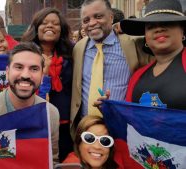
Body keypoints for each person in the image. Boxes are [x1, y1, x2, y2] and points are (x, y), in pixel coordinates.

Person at [70, 0, 152, 138]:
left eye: (98, 16)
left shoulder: (133, 44)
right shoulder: (78, 48)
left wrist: (127, 26)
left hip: (122, 128)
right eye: (86, 20)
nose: (91, 23)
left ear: (111, 17)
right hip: (86, 130)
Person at [21, 7, 73, 162]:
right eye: (45, 23)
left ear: (61, 30)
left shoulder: (72, 52)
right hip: (34, 120)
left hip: (64, 123)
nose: (50, 26)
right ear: (37, 28)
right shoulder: (25, 53)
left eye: (55, 24)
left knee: (62, 160)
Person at [120, 0, 186, 109]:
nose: (159, 29)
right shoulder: (137, 77)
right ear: (145, 37)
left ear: (182, 31)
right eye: (151, 26)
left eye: (167, 23)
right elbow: (130, 117)